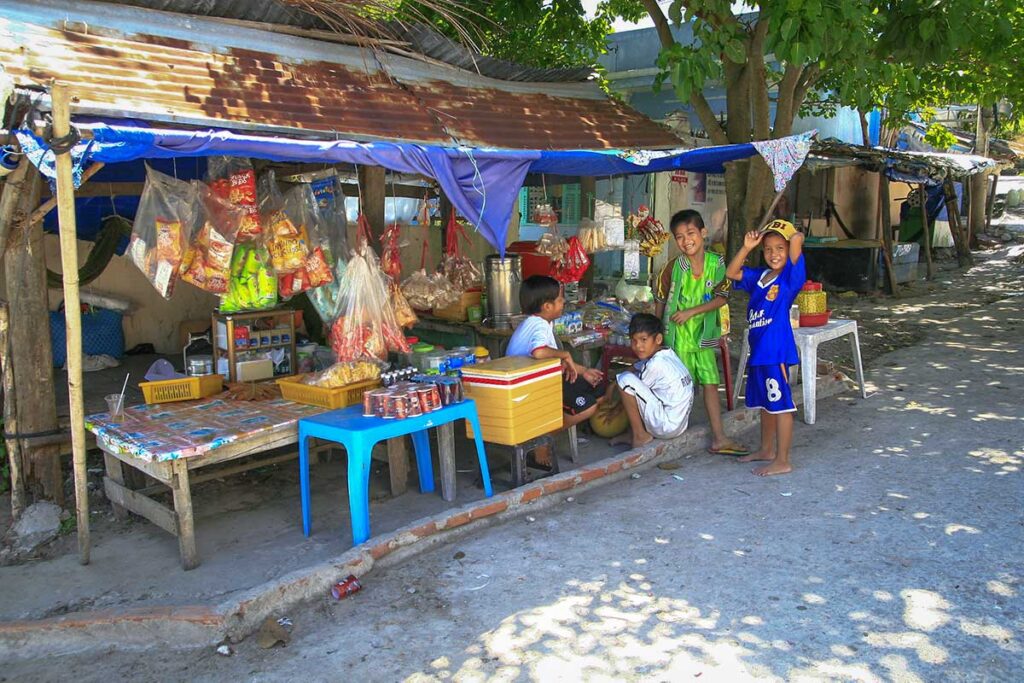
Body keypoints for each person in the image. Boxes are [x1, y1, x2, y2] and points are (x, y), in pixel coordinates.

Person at [656, 209, 748, 456]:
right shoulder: (673, 267)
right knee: (680, 389)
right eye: (679, 236)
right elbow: (660, 301)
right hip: (678, 338)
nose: (686, 240)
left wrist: (691, 312)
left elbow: (722, 298)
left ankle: (719, 438)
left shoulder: (717, 263)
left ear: (703, 233)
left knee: (710, 384)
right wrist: (657, 337)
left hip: (705, 336)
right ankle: (673, 437)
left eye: (691, 233)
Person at [725, 219, 806, 476]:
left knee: (780, 405)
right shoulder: (759, 277)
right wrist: (747, 247)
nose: (774, 254)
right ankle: (766, 449)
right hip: (759, 351)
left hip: (775, 352)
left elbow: (796, 241)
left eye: (780, 249)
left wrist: (791, 235)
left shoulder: (790, 278)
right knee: (766, 404)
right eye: (769, 249)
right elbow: (732, 272)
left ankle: (782, 460)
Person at [505, 276, 604, 463]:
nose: (564, 302)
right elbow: (539, 352)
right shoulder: (538, 325)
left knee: (599, 389)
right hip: (529, 389)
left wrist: (583, 371)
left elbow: (551, 360)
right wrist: (565, 354)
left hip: (543, 382)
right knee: (588, 407)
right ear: (547, 306)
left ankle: (542, 434)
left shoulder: (542, 323)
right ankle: (540, 439)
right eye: (560, 299)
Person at [610, 313, 694, 448]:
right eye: (634, 340)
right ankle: (633, 433)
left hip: (666, 427)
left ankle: (639, 436)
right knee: (629, 379)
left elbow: (630, 391)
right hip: (679, 424)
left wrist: (615, 407)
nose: (638, 346)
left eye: (644, 340)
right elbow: (636, 367)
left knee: (625, 381)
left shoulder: (655, 365)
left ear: (658, 339)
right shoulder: (668, 353)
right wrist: (612, 386)